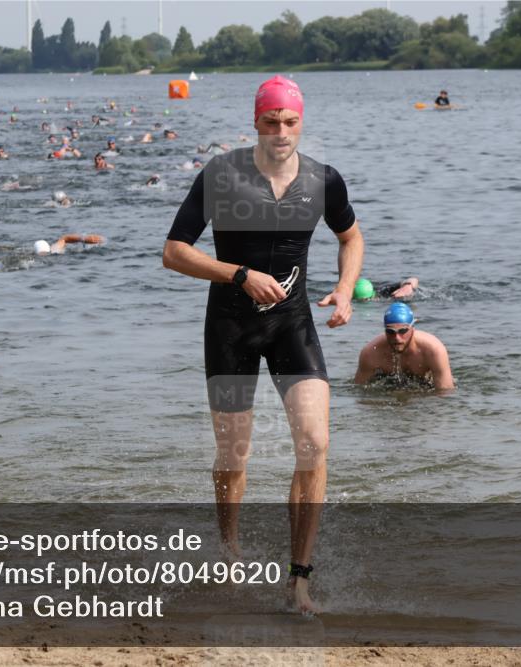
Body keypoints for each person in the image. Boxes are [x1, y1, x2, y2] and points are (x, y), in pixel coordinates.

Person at [162, 75, 364, 615]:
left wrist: (344, 290)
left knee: (315, 444)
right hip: (230, 327)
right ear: (255, 121)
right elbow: (174, 252)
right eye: (271, 121)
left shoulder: (324, 181)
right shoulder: (222, 175)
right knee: (235, 452)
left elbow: (352, 237)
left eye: (291, 121)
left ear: (302, 123)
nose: (281, 131)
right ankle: (228, 547)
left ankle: (299, 580)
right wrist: (237, 274)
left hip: (292, 324)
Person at [354, 303, 454, 392]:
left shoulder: (433, 350)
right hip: (389, 385)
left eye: (402, 331)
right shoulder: (371, 353)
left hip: (424, 385)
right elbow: (358, 390)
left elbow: (444, 393)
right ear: (384, 330)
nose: (397, 338)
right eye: (390, 332)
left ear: (412, 328)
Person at [33, 233, 105, 255]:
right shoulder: (53, 250)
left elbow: (65, 238)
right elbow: (65, 238)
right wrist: (83, 239)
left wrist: (84, 239)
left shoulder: (53, 250)